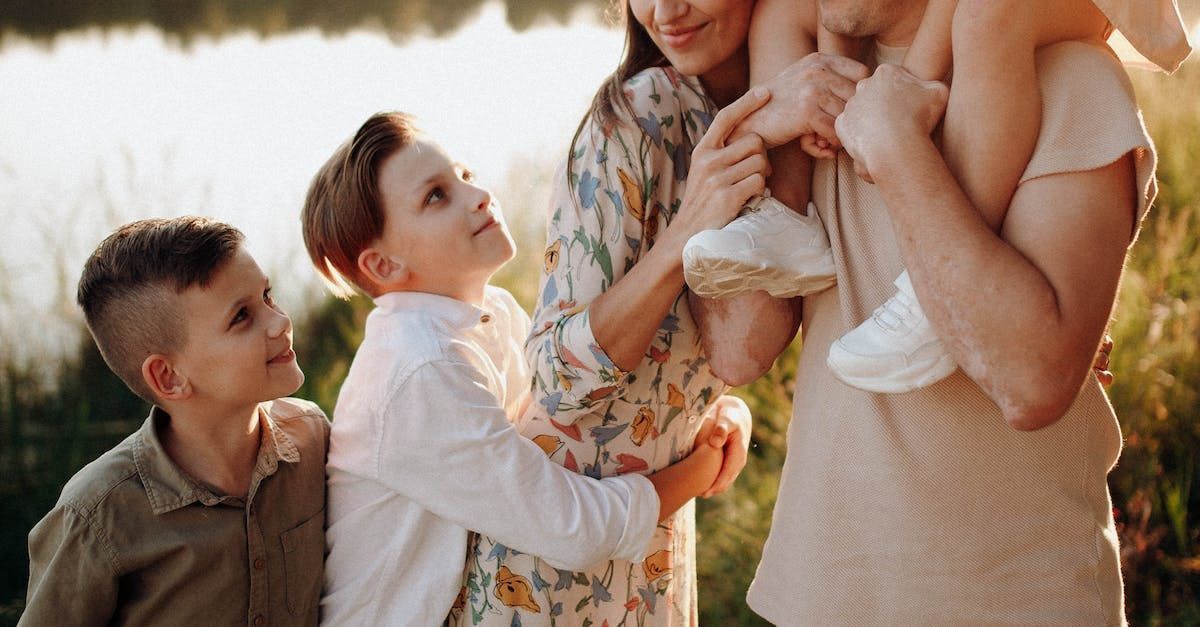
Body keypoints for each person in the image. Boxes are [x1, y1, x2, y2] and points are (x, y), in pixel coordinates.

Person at [690, 0, 1191, 622]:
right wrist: (750, 147)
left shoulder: (1068, 78)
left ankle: (921, 304)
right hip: (817, 598)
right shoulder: (815, 76)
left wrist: (898, 146)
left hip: (1012, 604)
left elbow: (1032, 384)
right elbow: (741, 349)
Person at [462, 1, 872, 622]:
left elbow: (731, 346)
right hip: (551, 554)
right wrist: (685, 233)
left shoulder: (782, 99)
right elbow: (556, 376)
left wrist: (712, 407)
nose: (665, 10)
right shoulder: (639, 113)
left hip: (652, 541)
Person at [301, 111, 742, 625]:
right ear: (383, 266)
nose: (479, 194)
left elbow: (564, 438)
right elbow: (571, 528)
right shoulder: (417, 369)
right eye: (436, 196)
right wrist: (705, 464)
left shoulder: (491, 314)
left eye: (464, 175)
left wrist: (717, 414)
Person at [685, 0, 1191, 393]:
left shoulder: (1075, 77)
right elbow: (735, 356)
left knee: (986, 16)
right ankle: (783, 220)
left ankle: (934, 289)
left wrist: (891, 112)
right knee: (783, 8)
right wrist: (834, 100)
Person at [21, 217, 329, 625]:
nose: (280, 321)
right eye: (241, 316)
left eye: (267, 296)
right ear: (169, 377)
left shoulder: (313, 438)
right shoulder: (96, 516)